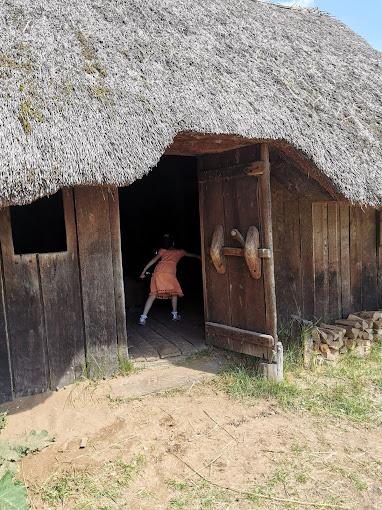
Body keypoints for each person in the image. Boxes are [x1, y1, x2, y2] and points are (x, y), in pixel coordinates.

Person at [139, 234, 201, 325]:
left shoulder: (163, 251)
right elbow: (192, 255)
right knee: (174, 293)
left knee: (152, 295)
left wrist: (144, 270)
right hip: (169, 274)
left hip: (158, 273)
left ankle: (142, 318)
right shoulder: (180, 252)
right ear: (174, 243)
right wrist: (199, 256)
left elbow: (153, 260)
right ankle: (175, 315)